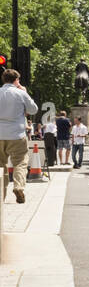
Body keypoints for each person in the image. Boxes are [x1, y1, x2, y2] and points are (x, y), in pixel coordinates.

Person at [0, 69, 39, 203]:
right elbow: (33, 109)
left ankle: (1, 196)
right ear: (16, 80)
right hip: (17, 134)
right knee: (21, 163)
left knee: (0, 166)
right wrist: (25, 92)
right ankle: (18, 186)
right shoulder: (21, 93)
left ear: (3, 79)